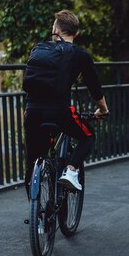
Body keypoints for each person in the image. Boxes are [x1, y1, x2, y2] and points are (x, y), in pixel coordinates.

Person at [24, 10, 109, 193]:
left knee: (33, 161)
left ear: (55, 29)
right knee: (88, 136)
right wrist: (102, 109)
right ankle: (70, 171)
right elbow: (94, 87)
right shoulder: (80, 55)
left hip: (32, 111)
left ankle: (37, 213)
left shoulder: (39, 49)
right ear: (76, 33)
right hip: (60, 112)